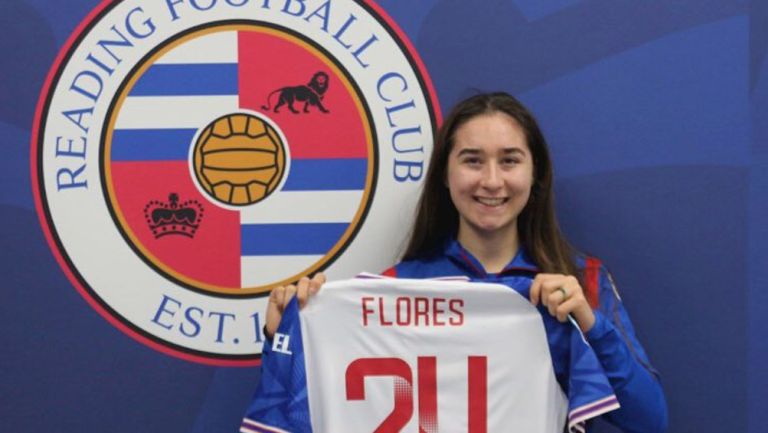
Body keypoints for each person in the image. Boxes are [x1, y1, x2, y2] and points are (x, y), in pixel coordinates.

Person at [263, 92, 668, 432]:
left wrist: (591, 325)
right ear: (445, 173)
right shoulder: (390, 289)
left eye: (509, 160)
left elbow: (650, 420)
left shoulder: (583, 282)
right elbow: (317, 408)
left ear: (535, 173)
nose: (491, 181)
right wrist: (290, 335)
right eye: (472, 160)